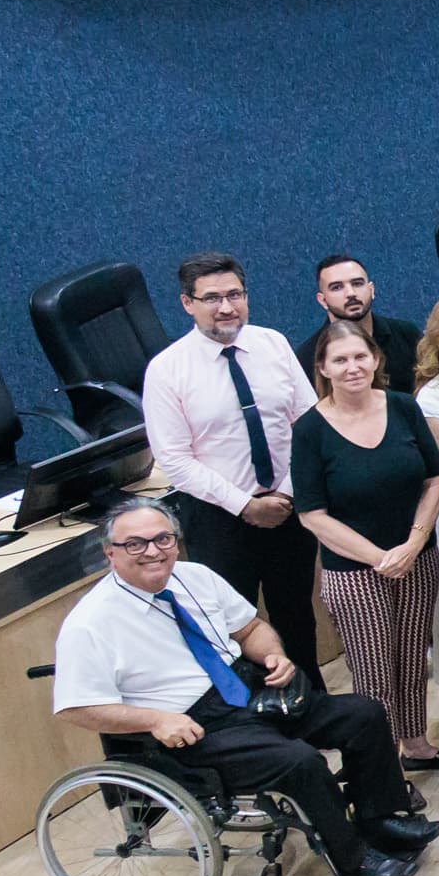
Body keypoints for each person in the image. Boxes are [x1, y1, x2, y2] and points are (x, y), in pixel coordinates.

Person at [51, 497, 434, 876]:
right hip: (192, 724)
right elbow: (76, 706)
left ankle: (382, 819)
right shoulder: (90, 622)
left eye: (162, 539)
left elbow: (250, 628)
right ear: (109, 552)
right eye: (136, 544)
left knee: (363, 714)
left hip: (246, 687)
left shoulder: (194, 575)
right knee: (299, 761)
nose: (152, 551)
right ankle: (355, 861)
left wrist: (275, 656)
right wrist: (156, 720)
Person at [144, 252, 320, 679]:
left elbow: (310, 423)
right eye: (212, 298)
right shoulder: (167, 370)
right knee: (232, 629)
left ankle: (312, 707)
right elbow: (174, 459)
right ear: (188, 304)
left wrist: (288, 491)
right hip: (219, 518)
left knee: (296, 614)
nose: (226, 307)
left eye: (234, 295)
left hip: (288, 506)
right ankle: (255, 727)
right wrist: (244, 504)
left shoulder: (273, 344)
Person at [290, 319, 439, 770]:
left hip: (416, 559)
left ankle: (417, 744)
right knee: (375, 676)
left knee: (411, 662)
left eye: (360, 356)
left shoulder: (403, 406)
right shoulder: (309, 429)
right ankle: (384, 770)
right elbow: (311, 514)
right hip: (356, 573)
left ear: (376, 359)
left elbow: (434, 477)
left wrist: (413, 542)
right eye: (339, 360)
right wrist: (381, 557)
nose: (352, 367)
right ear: (322, 367)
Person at [301, 254, 420, 392]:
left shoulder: (407, 335)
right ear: (322, 300)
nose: (351, 293)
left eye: (357, 283)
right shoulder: (309, 356)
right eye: (337, 287)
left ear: (371, 290)